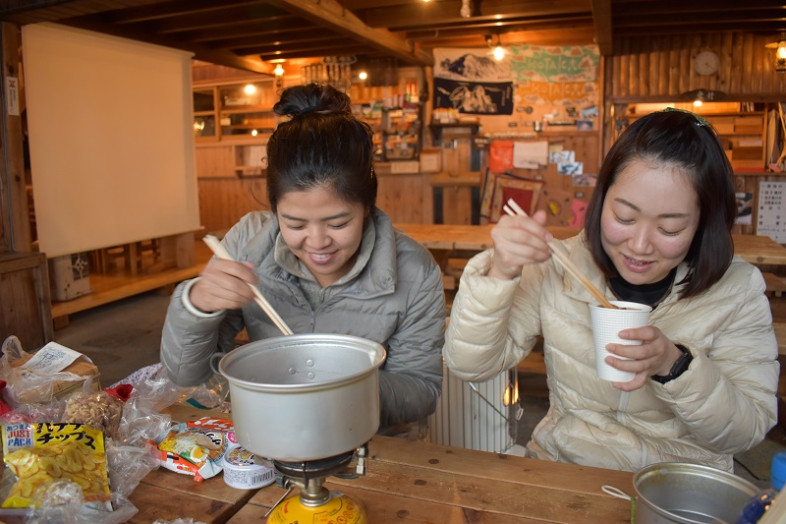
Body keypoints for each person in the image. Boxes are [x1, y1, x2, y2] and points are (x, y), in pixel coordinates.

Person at [443, 108, 779, 472]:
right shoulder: (561, 264)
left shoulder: (737, 290)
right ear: (603, 199)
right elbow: (468, 365)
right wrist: (500, 271)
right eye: (624, 218)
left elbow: (746, 432)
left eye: (669, 229)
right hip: (567, 470)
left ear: (703, 224)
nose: (639, 245)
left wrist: (674, 364)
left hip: (678, 483)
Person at [161, 83, 445, 434]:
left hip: (371, 444)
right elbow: (185, 375)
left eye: (338, 222)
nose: (318, 242)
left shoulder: (414, 271)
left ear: (367, 207)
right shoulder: (249, 243)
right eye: (294, 223)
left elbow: (421, 390)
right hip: (270, 434)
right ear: (275, 208)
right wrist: (197, 306)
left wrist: (333, 387)